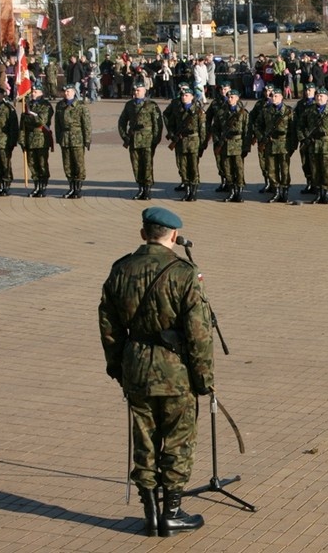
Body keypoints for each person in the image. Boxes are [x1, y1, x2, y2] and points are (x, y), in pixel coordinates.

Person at [98, 206, 214, 538]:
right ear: (174, 236)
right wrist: (204, 378)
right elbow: (199, 333)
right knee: (178, 439)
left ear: (143, 235)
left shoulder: (121, 270)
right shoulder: (183, 273)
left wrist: (118, 366)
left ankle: (149, 512)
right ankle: (172, 512)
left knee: (144, 439)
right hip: (175, 370)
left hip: (136, 365)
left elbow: (108, 325)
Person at [119, 78, 164, 200]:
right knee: (136, 165)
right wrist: (124, 136)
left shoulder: (151, 105)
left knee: (147, 165)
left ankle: (148, 189)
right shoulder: (129, 105)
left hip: (148, 140)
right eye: (135, 90)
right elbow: (122, 122)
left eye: (139, 90)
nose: (136, 92)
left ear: (145, 91)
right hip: (134, 140)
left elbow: (158, 124)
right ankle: (140, 188)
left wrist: (156, 139)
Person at [164, 85, 206, 202]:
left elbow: (202, 129)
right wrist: (172, 134)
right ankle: (187, 189)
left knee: (193, 167)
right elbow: (170, 123)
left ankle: (193, 191)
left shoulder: (198, 111)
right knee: (182, 167)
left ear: (192, 97)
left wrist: (202, 145)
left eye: (187, 95)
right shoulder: (178, 110)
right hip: (180, 142)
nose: (184, 97)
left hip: (194, 142)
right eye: (182, 95)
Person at [299, 87, 328, 204]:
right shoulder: (309, 111)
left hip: (327, 145)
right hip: (313, 144)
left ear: (327, 98)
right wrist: (304, 138)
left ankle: (325, 193)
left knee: (326, 170)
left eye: (322, 96)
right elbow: (300, 126)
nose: (319, 97)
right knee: (315, 170)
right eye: (317, 96)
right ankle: (317, 193)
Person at [54, 83, 92, 199]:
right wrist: (59, 138)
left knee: (78, 163)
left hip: (77, 138)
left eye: (69, 91)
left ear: (74, 92)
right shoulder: (60, 105)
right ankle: (71, 187)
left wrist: (87, 139)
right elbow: (57, 124)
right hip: (65, 138)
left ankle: (78, 188)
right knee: (67, 164)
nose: (66, 93)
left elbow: (86, 124)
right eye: (65, 92)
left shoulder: (81, 106)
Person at [18, 81, 55, 197]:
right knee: (32, 164)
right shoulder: (28, 104)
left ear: (41, 93)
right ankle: (36, 186)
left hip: (41, 138)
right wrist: (22, 140)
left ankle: (43, 186)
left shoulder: (46, 105)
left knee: (42, 164)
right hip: (29, 139)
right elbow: (22, 125)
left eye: (35, 92)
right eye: (32, 91)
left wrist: (27, 118)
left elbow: (40, 121)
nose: (33, 94)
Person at [218, 89, 250, 202]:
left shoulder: (243, 113)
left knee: (239, 169)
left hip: (238, 144)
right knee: (227, 168)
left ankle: (239, 192)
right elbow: (216, 128)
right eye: (228, 97)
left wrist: (246, 147)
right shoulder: (222, 112)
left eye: (232, 97)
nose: (230, 99)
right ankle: (231, 191)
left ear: (237, 98)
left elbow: (247, 131)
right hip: (226, 144)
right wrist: (219, 142)